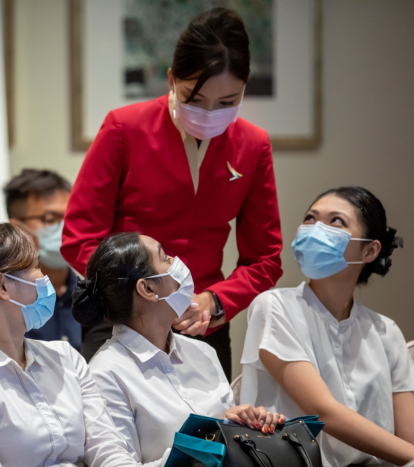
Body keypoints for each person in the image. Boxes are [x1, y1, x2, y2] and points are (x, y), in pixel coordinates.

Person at [61, 7, 283, 373]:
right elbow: (79, 238)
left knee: (206, 430)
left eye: (227, 103)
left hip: (201, 324)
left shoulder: (253, 145)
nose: (210, 113)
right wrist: (135, 295)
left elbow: (265, 259)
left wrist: (216, 301)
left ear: (244, 90)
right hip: (120, 321)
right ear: (171, 79)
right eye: (194, 99)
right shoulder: (124, 129)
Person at [240, 187, 414, 466]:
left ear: (370, 250)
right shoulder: (274, 306)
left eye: (335, 221)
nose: (314, 229)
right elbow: (324, 412)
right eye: (310, 218)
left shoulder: (386, 330)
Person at [0, 222, 163, 466]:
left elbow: (107, 449)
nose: (44, 277)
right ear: (2, 285)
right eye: (36, 266)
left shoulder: (64, 357)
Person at [75, 232, 285, 465]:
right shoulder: (106, 373)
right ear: (147, 289)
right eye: (165, 257)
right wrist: (209, 442)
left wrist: (250, 427)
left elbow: (230, 442)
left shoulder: (203, 352)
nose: (176, 261)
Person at [4, 168, 81, 350]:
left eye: (70, 216)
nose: (64, 228)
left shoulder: (91, 298)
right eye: (50, 219)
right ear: (18, 228)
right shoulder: (4, 305)